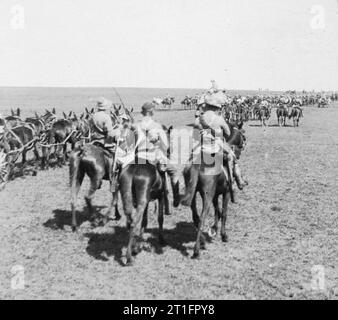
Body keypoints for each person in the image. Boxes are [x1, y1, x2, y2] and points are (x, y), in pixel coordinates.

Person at [181, 92, 247, 207]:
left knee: (188, 165)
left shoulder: (198, 120)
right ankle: (236, 184)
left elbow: (195, 137)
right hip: (214, 150)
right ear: (217, 108)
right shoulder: (219, 119)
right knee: (232, 159)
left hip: (200, 150)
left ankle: (186, 186)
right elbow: (228, 134)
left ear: (206, 106)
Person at [134, 102, 180, 207]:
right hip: (153, 157)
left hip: (138, 157)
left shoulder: (136, 125)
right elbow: (166, 146)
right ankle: (176, 198)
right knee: (174, 171)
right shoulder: (156, 125)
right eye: (153, 110)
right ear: (150, 111)